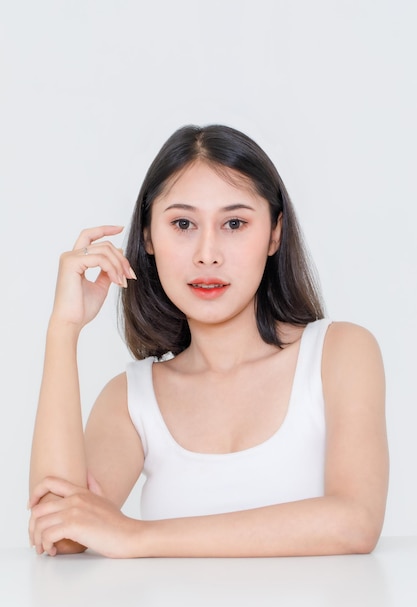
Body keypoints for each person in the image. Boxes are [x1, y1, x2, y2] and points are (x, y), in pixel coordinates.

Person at [28, 124, 389, 558]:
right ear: (148, 237)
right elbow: (62, 533)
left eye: (234, 223)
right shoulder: (132, 398)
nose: (207, 253)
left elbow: (354, 523)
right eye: (183, 223)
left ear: (274, 233)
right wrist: (62, 330)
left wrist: (137, 536)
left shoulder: (340, 354)